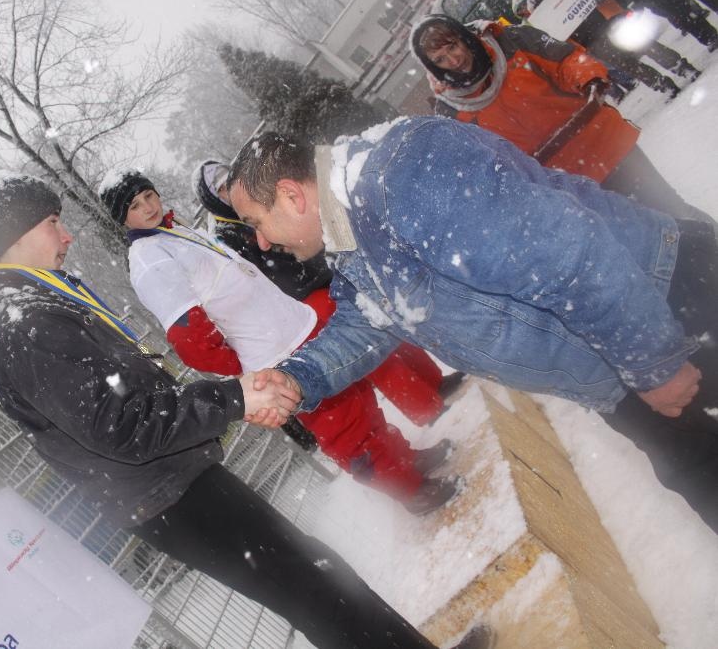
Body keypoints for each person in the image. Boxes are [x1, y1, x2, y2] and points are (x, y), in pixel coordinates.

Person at [0, 173, 493, 649]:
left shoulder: (34, 306)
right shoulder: (24, 323)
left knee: (312, 579)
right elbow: (122, 423)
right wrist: (235, 394)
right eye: (53, 223)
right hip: (163, 492)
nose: (67, 236)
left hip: (167, 483)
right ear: (15, 232)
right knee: (314, 583)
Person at [225, 121, 718, 534]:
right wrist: (297, 379)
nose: (261, 243)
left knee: (699, 469)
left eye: (255, 222)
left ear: (291, 196)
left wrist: (653, 364)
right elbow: (367, 319)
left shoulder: (401, 177)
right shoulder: (352, 230)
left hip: (664, 302)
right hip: (614, 355)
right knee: (697, 470)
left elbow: (566, 255)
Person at [101, 169, 462, 515]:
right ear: (122, 217)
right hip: (275, 354)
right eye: (135, 205)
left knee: (359, 402)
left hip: (295, 329)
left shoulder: (173, 231)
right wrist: (244, 362)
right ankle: (409, 490)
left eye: (149, 195)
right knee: (343, 427)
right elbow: (190, 338)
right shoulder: (148, 257)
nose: (148, 207)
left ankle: (404, 459)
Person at [193, 159, 467, 426]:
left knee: (387, 317)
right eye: (221, 189)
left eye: (229, 180)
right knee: (365, 342)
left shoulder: (260, 199)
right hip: (305, 296)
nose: (229, 192)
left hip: (323, 271)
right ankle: (424, 406)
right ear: (213, 199)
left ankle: (434, 381)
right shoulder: (226, 234)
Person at [410, 14, 713, 226]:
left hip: (603, 143)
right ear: (432, 67)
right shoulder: (450, 111)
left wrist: (588, 78)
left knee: (673, 211)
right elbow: (481, 159)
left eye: (453, 46)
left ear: (464, 37)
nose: (453, 60)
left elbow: (567, 60)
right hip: (569, 186)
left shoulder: (512, 41)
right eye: (440, 60)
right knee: (646, 243)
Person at [511, 0, 699, 98]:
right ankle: (663, 85)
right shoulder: (535, 10)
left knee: (645, 46)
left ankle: (682, 68)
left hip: (607, 21)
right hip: (590, 40)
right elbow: (549, 34)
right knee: (629, 65)